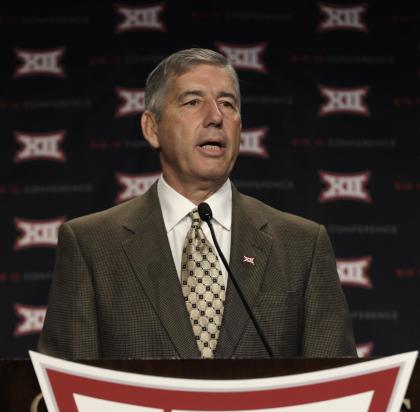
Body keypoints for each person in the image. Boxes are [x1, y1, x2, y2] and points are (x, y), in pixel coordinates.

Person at [38, 48, 356, 359]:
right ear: (152, 128)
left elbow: (337, 392)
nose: (215, 117)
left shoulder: (302, 245)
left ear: (240, 128)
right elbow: (64, 392)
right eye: (193, 102)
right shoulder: (91, 245)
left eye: (227, 104)